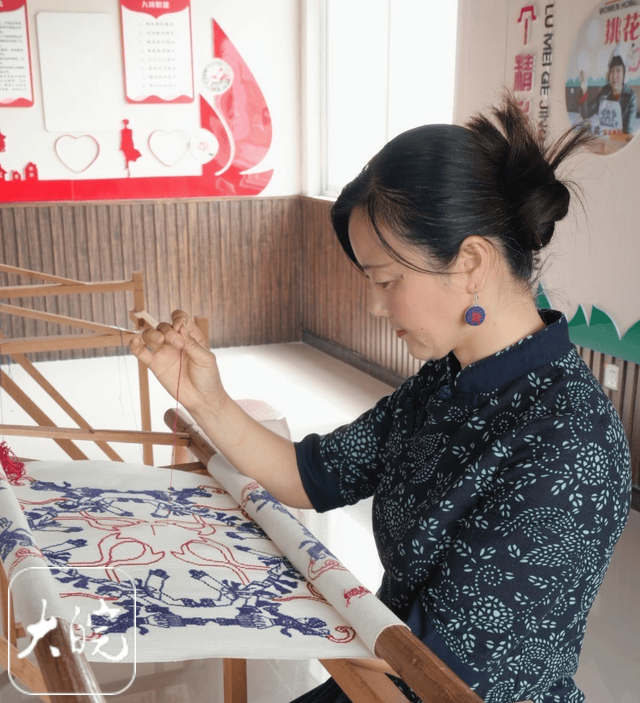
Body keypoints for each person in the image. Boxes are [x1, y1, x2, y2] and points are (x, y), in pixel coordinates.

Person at [130, 94, 631, 703]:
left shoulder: (569, 441)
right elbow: (312, 475)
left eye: (388, 281)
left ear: (472, 262)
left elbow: (443, 671)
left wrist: (263, 604)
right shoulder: (446, 382)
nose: (375, 305)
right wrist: (204, 397)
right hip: (387, 670)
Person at [578, 53, 638, 135]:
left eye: (618, 71)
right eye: (612, 71)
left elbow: (628, 133)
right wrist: (584, 90)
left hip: (618, 140)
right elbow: (586, 114)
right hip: (604, 137)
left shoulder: (631, 97)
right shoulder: (605, 91)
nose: (614, 76)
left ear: (623, 74)